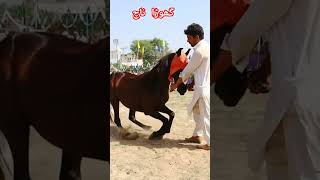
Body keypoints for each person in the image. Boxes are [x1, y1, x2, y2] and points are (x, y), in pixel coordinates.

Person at [214, 0, 320, 179]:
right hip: (298, 97)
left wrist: (207, 78)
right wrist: (266, 67)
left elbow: (244, 34)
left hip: (298, 99)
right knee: (278, 159)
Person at [170, 23, 210, 150]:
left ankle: (210, 143)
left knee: (205, 116)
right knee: (197, 111)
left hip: (203, 89)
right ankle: (197, 135)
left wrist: (174, 86)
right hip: (201, 88)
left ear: (196, 37)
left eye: (189, 37)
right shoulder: (206, 47)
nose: (187, 40)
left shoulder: (199, 51)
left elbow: (187, 71)